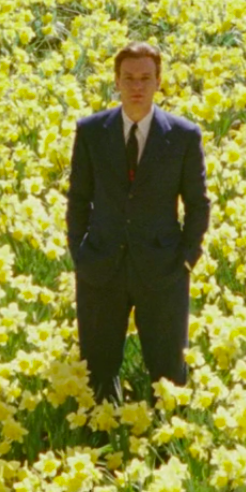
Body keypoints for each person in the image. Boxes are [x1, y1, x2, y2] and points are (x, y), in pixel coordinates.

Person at [66, 41, 210, 406]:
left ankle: (166, 448)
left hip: (162, 271)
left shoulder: (183, 136)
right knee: (96, 375)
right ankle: (96, 441)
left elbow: (198, 204)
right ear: (116, 81)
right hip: (101, 268)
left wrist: (186, 259)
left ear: (159, 81)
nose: (137, 87)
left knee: (168, 376)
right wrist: (80, 254)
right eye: (128, 78)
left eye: (146, 78)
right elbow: (78, 198)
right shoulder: (91, 131)